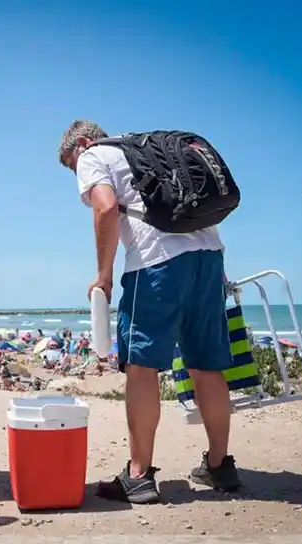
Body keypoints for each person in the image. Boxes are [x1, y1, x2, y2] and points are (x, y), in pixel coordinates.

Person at [58, 120, 240, 504]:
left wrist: (104, 275)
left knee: (141, 366)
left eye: (71, 165)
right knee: (206, 365)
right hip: (209, 258)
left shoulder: (94, 154)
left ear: (83, 143)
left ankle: (138, 475)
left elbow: (106, 207)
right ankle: (220, 465)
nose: (77, 177)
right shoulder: (143, 150)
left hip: (156, 263)